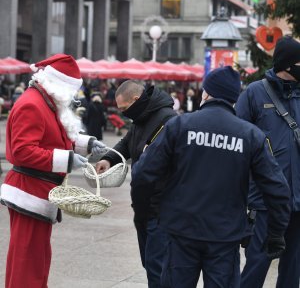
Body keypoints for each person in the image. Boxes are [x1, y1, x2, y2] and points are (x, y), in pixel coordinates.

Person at [131, 66, 291, 288]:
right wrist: (276, 232)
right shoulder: (250, 135)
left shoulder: (179, 125)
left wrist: (146, 214)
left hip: (181, 231)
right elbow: (277, 187)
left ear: (206, 93)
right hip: (225, 236)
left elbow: (142, 174)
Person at [0, 54, 106, 288]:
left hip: (38, 192)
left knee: (36, 260)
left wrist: (86, 144)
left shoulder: (46, 100)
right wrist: (67, 160)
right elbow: (22, 152)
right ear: (59, 84)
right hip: (30, 191)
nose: (72, 97)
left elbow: (56, 135)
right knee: (27, 264)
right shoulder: (32, 104)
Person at [95, 80, 177, 287]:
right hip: (143, 203)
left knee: (157, 266)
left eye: (124, 109)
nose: (122, 113)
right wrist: (108, 158)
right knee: (149, 262)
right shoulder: (142, 116)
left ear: (135, 100)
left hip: (161, 205)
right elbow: (127, 142)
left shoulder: (166, 120)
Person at [235, 35, 300, 288]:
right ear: (287, 65)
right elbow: (238, 142)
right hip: (265, 200)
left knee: (293, 267)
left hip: (298, 203)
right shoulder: (254, 93)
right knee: (257, 263)